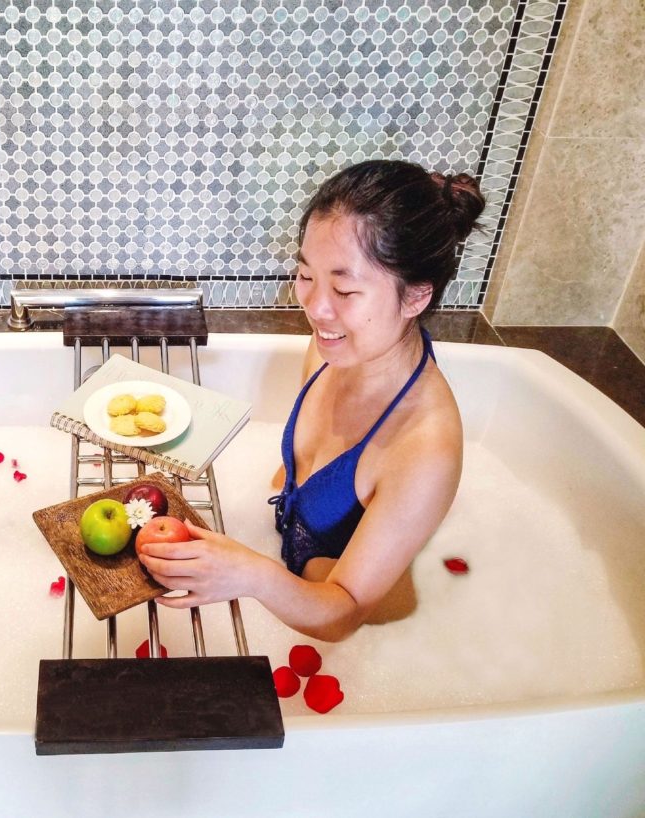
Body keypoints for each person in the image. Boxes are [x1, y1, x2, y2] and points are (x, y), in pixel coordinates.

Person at [138, 160, 486, 642]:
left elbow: (345, 614)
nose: (316, 308)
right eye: (305, 274)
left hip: (365, 634)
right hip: (290, 581)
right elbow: (299, 474)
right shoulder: (330, 351)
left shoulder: (425, 447)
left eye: (344, 289)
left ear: (415, 298)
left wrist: (251, 574)